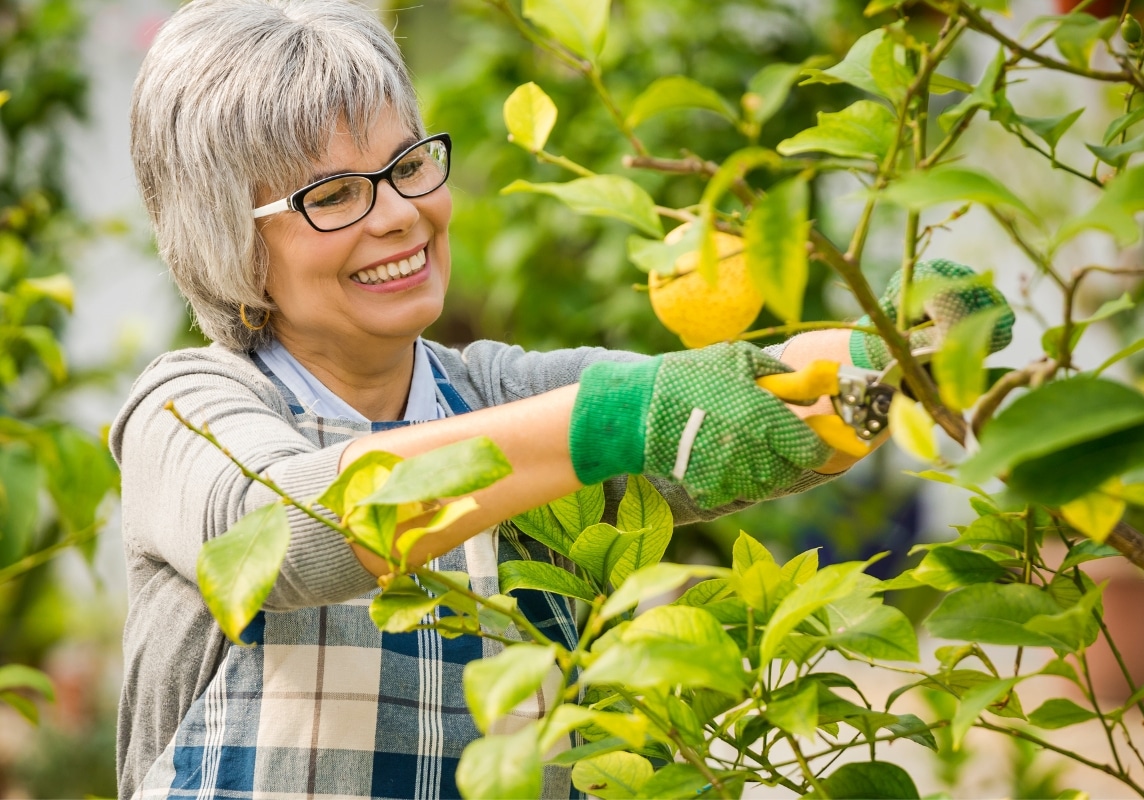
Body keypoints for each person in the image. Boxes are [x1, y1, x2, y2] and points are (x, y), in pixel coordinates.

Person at [110, 0, 1012, 797]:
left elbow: (726, 403)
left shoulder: (491, 394)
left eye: (409, 166)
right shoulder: (188, 413)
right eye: (336, 194)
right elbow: (285, 539)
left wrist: (890, 347)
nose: (397, 214)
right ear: (226, 233)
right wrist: (614, 420)